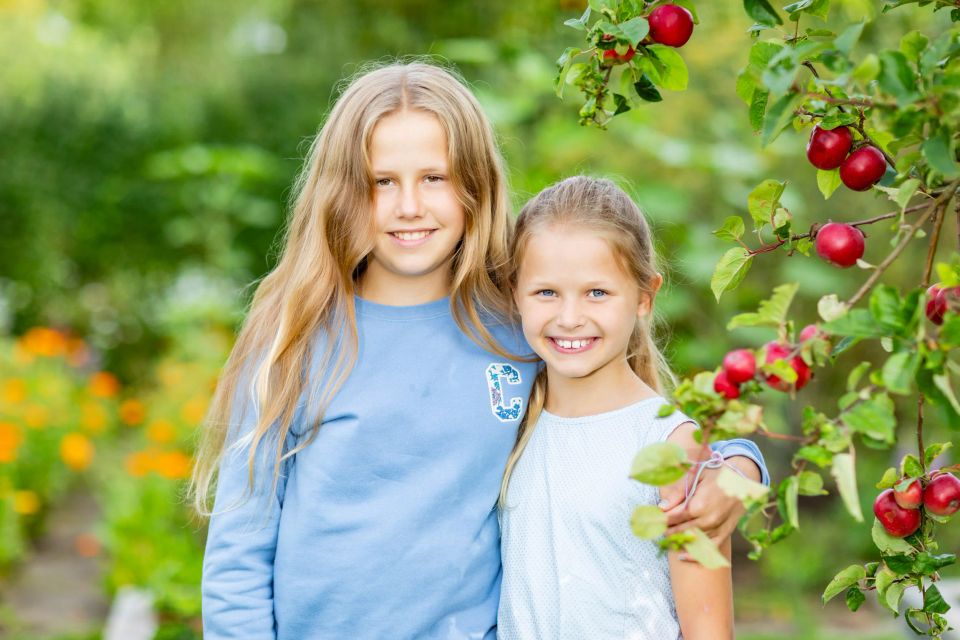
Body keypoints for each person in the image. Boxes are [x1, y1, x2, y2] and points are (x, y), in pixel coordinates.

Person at [191, 62, 766, 640]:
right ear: (342, 192)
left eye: (434, 178)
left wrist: (739, 465)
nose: (409, 205)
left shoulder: (517, 325)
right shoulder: (294, 340)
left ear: (474, 185)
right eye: (381, 181)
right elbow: (240, 551)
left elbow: (619, 419)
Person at [497, 175, 744, 640]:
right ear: (515, 293)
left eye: (597, 292)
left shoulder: (670, 446)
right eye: (546, 292)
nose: (569, 317)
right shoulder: (511, 423)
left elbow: (709, 629)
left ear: (644, 297)